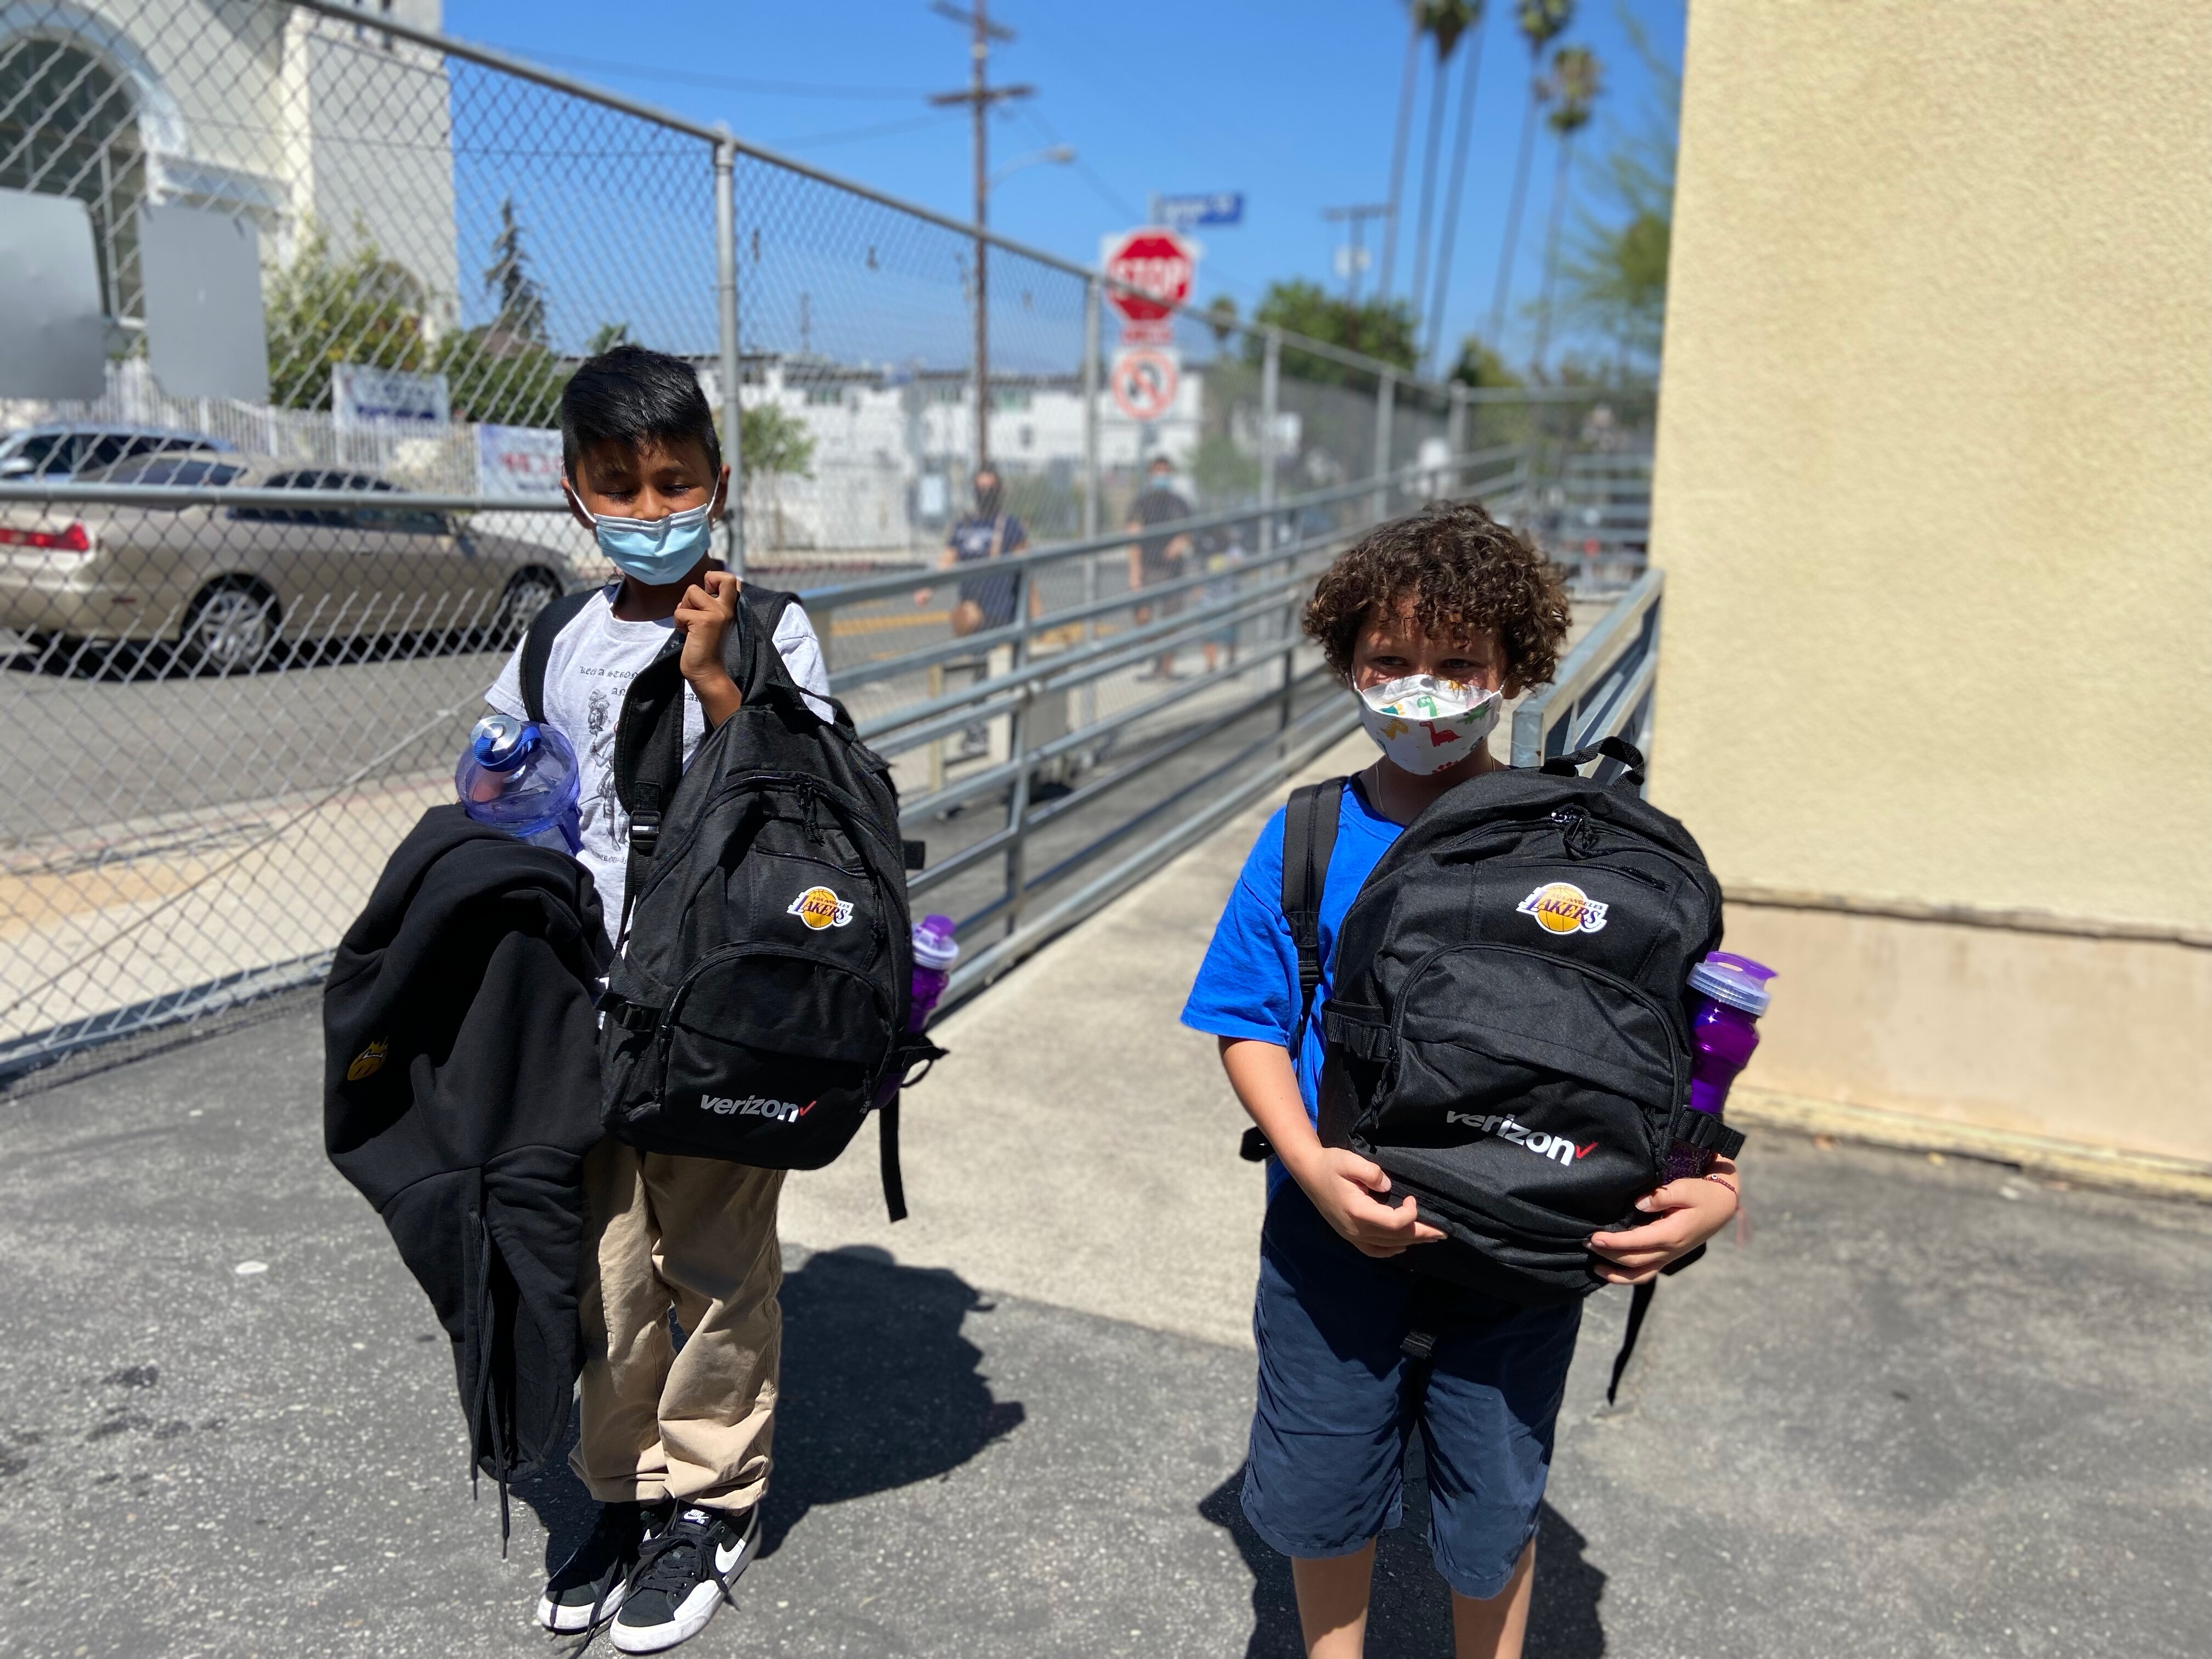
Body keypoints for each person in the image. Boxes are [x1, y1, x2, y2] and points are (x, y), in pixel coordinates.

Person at [1180, 502, 1740, 1659]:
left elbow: (1676, 1056)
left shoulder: (1583, 847)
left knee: (1492, 1507)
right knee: (1324, 1487)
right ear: (1348, 662)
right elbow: (1250, 1022)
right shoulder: (1310, 838)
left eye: (1457, 665)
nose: (1421, 693)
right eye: (1390, 662)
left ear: (1516, 672)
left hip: (1527, 1251)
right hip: (1337, 1235)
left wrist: (1715, 1190)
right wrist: (1310, 1169)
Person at [482, 345, 833, 1654]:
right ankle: (626, 1493)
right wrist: (494, 799)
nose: (648, 510)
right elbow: (512, 800)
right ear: (574, 490)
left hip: (721, 1012)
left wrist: (715, 680)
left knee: (719, 1263)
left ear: (718, 482)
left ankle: (713, 1498)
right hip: (584, 1014)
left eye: (673, 483)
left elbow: (807, 795)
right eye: (618, 487)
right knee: (606, 1273)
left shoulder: (770, 625)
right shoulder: (555, 639)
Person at [917, 467, 1029, 756]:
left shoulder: (1009, 526)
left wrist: (1033, 614)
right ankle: (979, 730)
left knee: (1000, 674)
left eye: (990, 488)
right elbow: (947, 559)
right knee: (980, 673)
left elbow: (1026, 573)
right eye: (980, 488)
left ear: (1000, 491)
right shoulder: (964, 527)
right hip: (974, 612)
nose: (985, 493)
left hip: (1002, 611)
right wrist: (927, 588)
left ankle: (1000, 730)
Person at [1126, 453, 1193, 679]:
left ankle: (1166, 667)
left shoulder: (1179, 502)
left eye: (1165, 471)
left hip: (1172, 570)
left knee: (1171, 621)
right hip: (1149, 568)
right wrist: (1134, 574)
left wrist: (1180, 542)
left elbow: (1190, 531)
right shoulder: (1141, 503)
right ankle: (1155, 656)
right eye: (1158, 472)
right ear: (1150, 474)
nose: (1161, 476)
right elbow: (1133, 537)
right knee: (1143, 616)